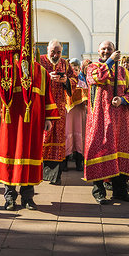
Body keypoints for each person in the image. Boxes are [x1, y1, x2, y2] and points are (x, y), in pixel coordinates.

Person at [0, 54, 59, 211]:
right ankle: (10, 197)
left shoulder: (41, 71)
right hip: (12, 121)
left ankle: (28, 198)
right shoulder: (10, 69)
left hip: (34, 122)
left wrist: (48, 118)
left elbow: (48, 96)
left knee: (30, 155)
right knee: (11, 155)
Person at [84, 41, 129, 204]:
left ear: (115, 51)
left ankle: (120, 190)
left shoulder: (123, 72)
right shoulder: (92, 67)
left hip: (120, 119)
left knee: (120, 152)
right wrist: (110, 62)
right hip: (101, 119)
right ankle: (98, 190)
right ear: (99, 51)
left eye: (110, 49)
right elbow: (97, 78)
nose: (107, 51)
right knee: (99, 150)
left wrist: (122, 99)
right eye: (104, 49)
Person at [40, 40, 76, 185]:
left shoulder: (65, 64)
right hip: (42, 106)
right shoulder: (39, 61)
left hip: (60, 107)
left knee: (58, 138)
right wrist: (47, 77)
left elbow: (74, 79)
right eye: (53, 52)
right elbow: (32, 78)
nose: (55, 55)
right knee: (43, 138)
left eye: (58, 52)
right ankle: (39, 172)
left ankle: (55, 176)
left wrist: (66, 80)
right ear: (47, 49)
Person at [65, 59, 88, 171]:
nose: (75, 71)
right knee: (67, 135)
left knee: (79, 136)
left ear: (79, 70)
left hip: (79, 112)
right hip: (68, 112)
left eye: (76, 69)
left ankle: (79, 162)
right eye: (72, 69)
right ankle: (64, 162)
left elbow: (86, 96)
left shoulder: (82, 82)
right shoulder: (66, 82)